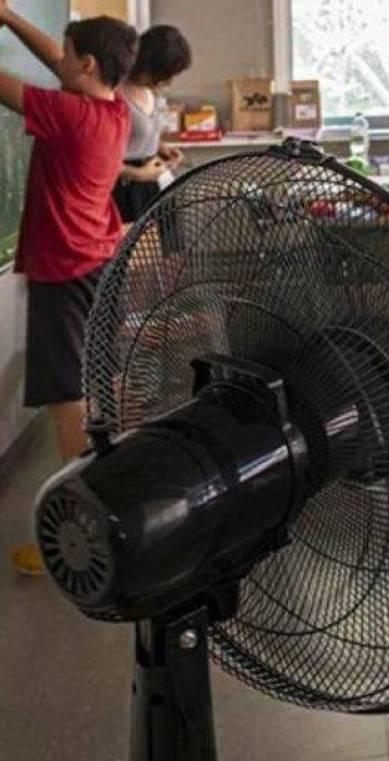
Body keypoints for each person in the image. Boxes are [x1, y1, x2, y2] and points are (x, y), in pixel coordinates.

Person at [0, 5, 137, 576]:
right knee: (89, 389)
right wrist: (8, 18)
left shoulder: (65, 115)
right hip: (96, 264)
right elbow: (63, 62)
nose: (57, 59)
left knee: (66, 402)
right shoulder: (113, 111)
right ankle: (109, 506)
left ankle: (84, 530)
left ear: (84, 63)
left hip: (65, 271)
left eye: (67, 52)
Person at [112, 24, 192, 222]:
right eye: (165, 74)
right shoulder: (114, 93)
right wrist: (137, 173)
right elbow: (96, 156)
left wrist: (160, 148)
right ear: (149, 64)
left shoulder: (153, 93)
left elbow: (140, 136)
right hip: (123, 187)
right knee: (129, 250)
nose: (168, 82)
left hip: (153, 184)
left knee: (164, 250)